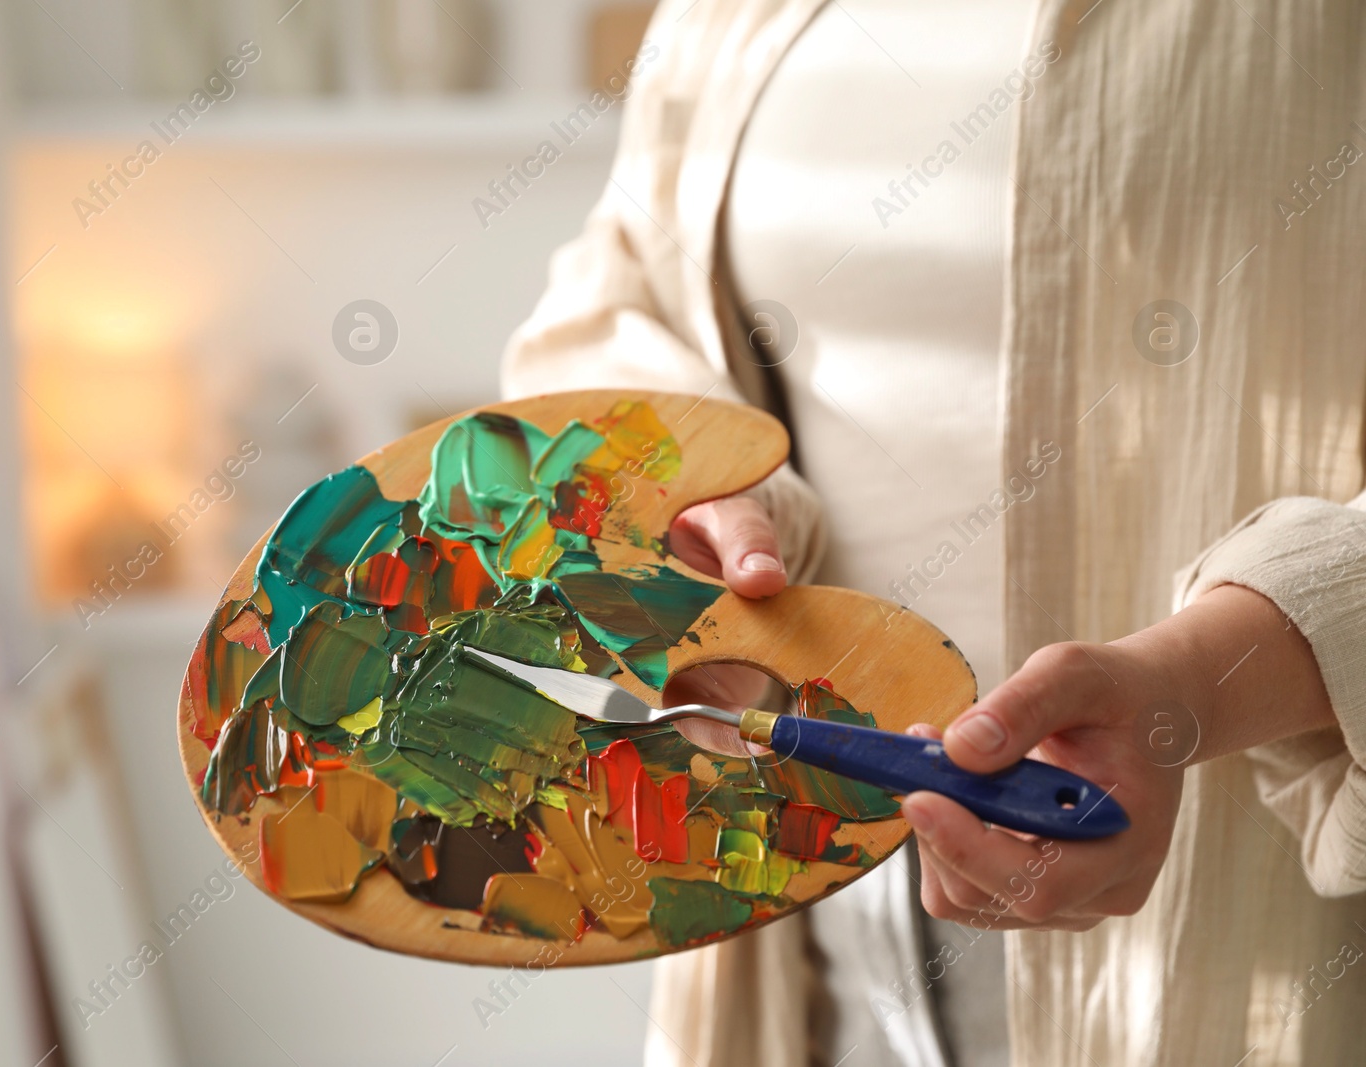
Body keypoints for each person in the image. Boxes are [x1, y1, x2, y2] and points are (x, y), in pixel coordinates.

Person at [499, 2, 1366, 1065]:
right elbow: (623, 293)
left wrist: (1197, 682)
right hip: (820, 923)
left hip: (1247, 932)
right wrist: (679, 489)